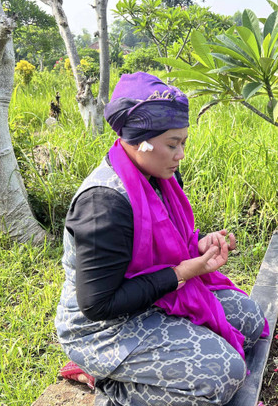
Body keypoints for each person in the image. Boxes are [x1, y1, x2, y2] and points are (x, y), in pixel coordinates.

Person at [55, 72, 267, 406]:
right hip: (105, 328)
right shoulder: (103, 204)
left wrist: (197, 247)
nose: (180, 154)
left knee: (249, 319)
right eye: (172, 144)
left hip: (156, 297)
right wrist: (182, 273)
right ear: (140, 140)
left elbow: (160, 241)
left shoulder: (156, 174)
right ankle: (107, 383)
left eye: (183, 143)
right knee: (223, 373)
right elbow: (99, 305)